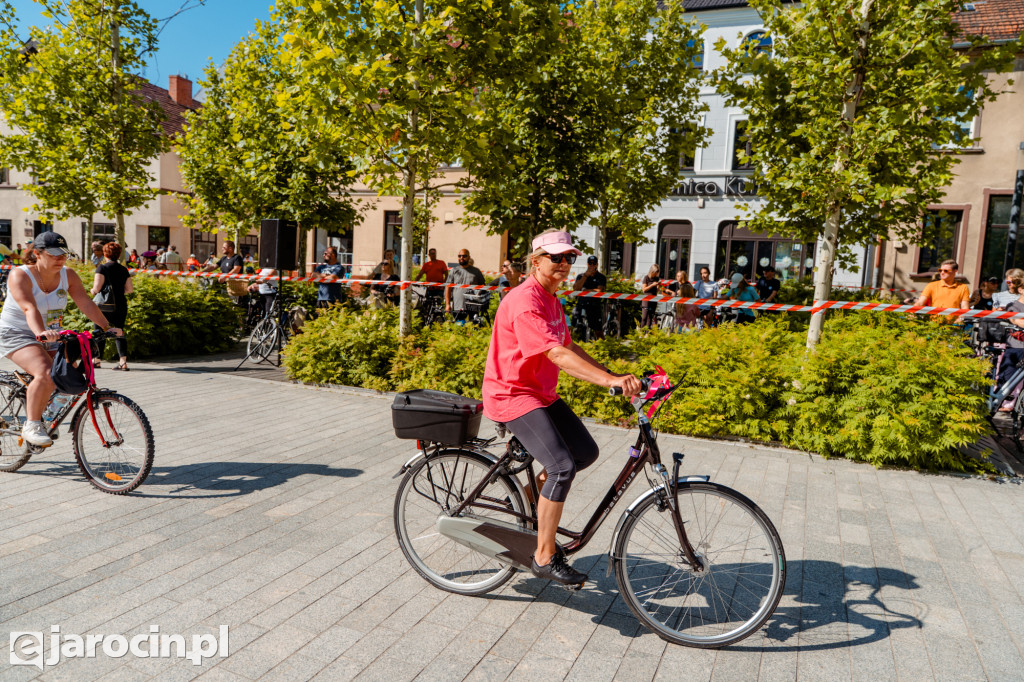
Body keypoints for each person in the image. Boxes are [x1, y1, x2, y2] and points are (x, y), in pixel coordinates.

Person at [482, 229, 641, 586]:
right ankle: (543, 555)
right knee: (561, 467)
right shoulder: (525, 301)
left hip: (540, 393)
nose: (565, 264)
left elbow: (569, 346)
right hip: (512, 394)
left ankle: (525, 502)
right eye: (557, 257)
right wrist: (608, 382)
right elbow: (555, 354)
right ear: (535, 261)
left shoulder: (551, 299)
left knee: (584, 453)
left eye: (569, 257)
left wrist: (612, 374)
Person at [0, 232, 122, 446]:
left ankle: (43, 409)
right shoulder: (20, 275)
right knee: (47, 372)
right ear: (37, 253)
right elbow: (29, 307)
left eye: (63, 254)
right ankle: (32, 423)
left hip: (51, 332)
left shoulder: (68, 275)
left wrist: (107, 326)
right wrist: (41, 333)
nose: (60, 259)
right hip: (16, 333)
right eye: (54, 254)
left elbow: (85, 303)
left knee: (66, 375)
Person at [90, 241, 132, 371]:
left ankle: (96, 360)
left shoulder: (102, 268)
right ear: (119, 254)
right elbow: (129, 289)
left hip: (104, 305)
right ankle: (123, 362)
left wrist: (92, 291)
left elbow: (97, 288)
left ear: (105, 253)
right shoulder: (123, 269)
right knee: (119, 331)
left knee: (99, 331)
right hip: (120, 304)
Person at [445, 248, 485, 319]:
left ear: (469, 257)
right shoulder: (454, 271)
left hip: (473, 306)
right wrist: (447, 304)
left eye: (464, 256)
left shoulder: (476, 271)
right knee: (459, 327)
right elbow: (448, 288)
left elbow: (483, 287)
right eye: (459, 256)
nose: (461, 258)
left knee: (473, 327)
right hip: (458, 305)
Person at [572, 256, 607, 339]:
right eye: (590, 263)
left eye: (594, 263)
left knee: (598, 331)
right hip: (581, 304)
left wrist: (585, 290)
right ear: (587, 264)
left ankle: (602, 347)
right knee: (574, 327)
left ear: (597, 265)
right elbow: (576, 288)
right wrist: (585, 276)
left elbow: (599, 290)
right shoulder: (581, 276)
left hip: (594, 306)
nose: (592, 265)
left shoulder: (601, 277)